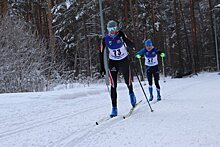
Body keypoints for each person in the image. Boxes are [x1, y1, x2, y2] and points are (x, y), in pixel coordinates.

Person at [99, 20, 137, 117]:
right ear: (107, 30)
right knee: (113, 85)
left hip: (124, 60)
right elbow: (100, 53)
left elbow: (132, 45)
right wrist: (102, 68)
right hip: (113, 62)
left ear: (117, 29)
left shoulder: (121, 35)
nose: (112, 31)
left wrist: (123, 37)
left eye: (114, 29)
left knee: (127, 81)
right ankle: (114, 108)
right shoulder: (105, 39)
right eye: (110, 29)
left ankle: (131, 94)